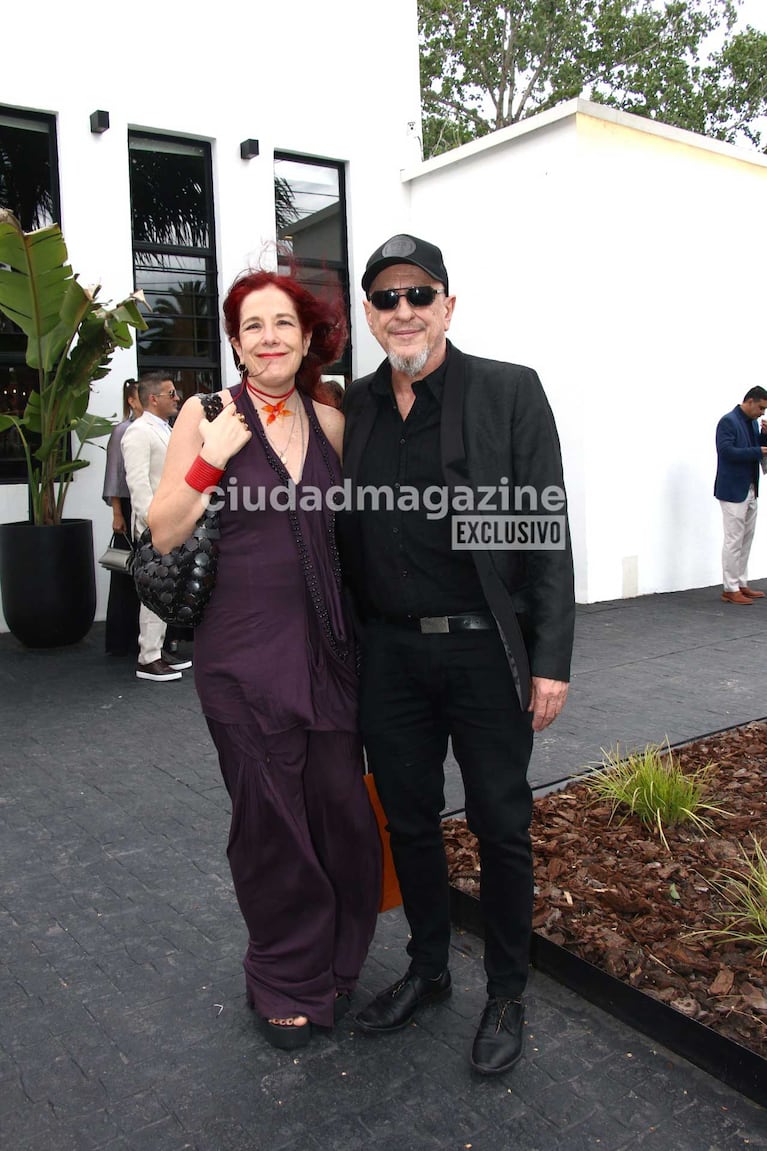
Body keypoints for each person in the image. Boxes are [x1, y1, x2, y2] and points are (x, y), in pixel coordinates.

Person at [338, 234, 575, 1076]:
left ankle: (507, 990)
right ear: (370, 314)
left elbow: (539, 533)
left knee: (500, 825)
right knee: (407, 822)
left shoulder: (505, 393)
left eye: (418, 293)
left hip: (481, 650)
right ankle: (429, 968)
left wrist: (549, 658)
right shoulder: (356, 406)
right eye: (385, 298)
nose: (402, 310)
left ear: (446, 303)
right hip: (390, 657)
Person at [146, 270, 381, 1050]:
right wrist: (210, 459)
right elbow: (165, 530)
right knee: (270, 823)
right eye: (253, 326)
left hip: (329, 649)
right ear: (236, 341)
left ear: (308, 337)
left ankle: (338, 954)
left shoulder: (331, 421)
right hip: (242, 657)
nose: (269, 336)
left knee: (342, 814)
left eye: (284, 322)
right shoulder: (203, 413)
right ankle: (283, 972)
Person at [121, 373, 193, 681]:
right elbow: (138, 485)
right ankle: (147, 657)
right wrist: (153, 524)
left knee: (167, 590)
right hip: (155, 525)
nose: (177, 398)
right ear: (154, 399)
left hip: (172, 522)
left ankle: (158, 649)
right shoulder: (138, 433)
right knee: (155, 591)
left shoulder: (164, 428)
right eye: (171, 393)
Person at [714, 386, 767, 604]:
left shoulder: (752, 423)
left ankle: (741, 583)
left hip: (750, 488)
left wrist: (764, 436)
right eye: (761, 407)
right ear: (750, 401)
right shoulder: (728, 421)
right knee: (734, 539)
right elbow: (726, 452)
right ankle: (730, 587)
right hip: (733, 489)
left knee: (746, 538)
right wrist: (758, 451)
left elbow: (757, 449)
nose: (762, 413)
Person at [102, 378, 142, 656]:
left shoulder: (156, 427)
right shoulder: (122, 431)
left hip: (149, 502)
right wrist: (117, 512)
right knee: (126, 573)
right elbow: (115, 473)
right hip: (128, 505)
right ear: (132, 400)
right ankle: (121, 640)